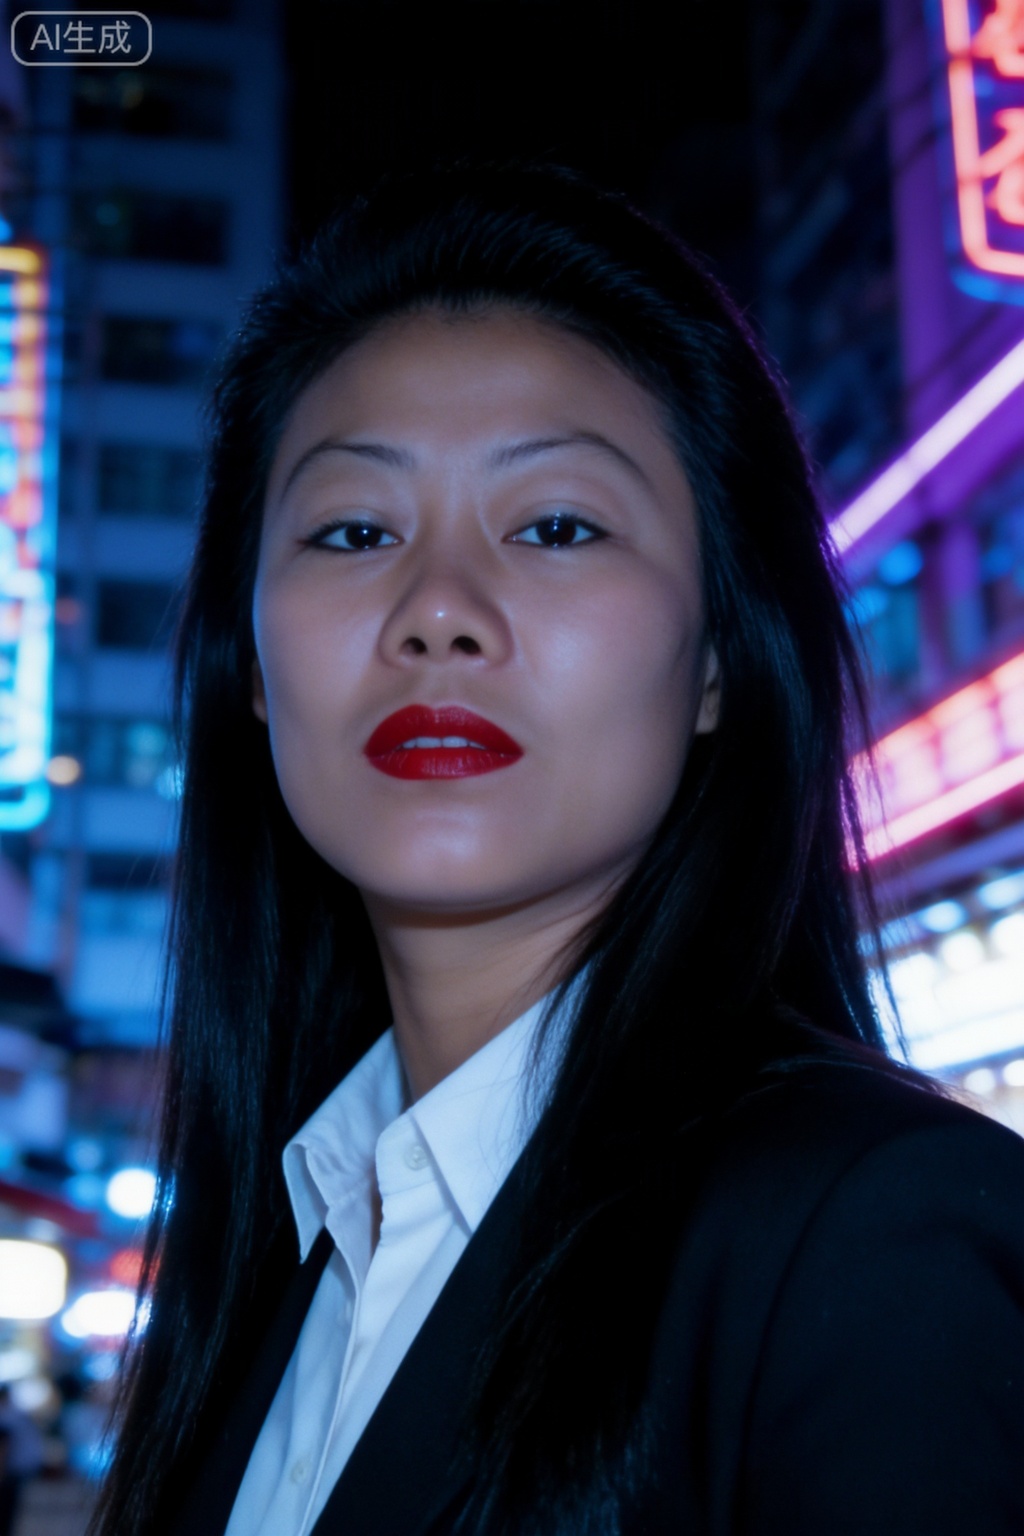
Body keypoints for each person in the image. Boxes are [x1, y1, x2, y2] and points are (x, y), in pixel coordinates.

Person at [92, 162, 1024, 1536]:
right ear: (253, 670)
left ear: (717, 659)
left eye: (556, 526)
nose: (439, 610)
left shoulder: (877, 1235)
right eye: (355, 530)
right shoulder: (280, 1262)